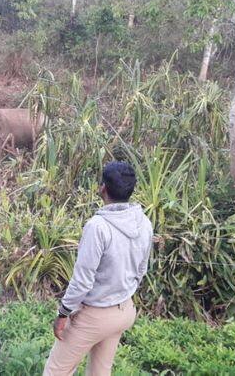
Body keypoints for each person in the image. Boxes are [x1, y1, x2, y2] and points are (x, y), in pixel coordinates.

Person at [43, 161, 153, 376]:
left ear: (102, 188)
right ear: (131, 190)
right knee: (100, 372)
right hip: (124, 311)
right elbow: (141, 270)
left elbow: (82, 281)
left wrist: (63, 313)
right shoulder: (144, 222)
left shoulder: (98, 226)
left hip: (94, 316)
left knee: (55, 372)